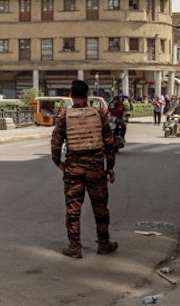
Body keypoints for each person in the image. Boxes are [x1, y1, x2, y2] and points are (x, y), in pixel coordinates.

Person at [51, 80, 118, 259]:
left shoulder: (66, 117)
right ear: (87, 96)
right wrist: (110, 167)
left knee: (73, 209)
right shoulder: (99, 115)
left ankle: (75, 247)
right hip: (96, 170)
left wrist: (59, 163)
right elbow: (109, 143)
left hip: (74, 171)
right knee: (101, 208)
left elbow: (56, 143)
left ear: (72, 96)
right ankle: (104, 244)